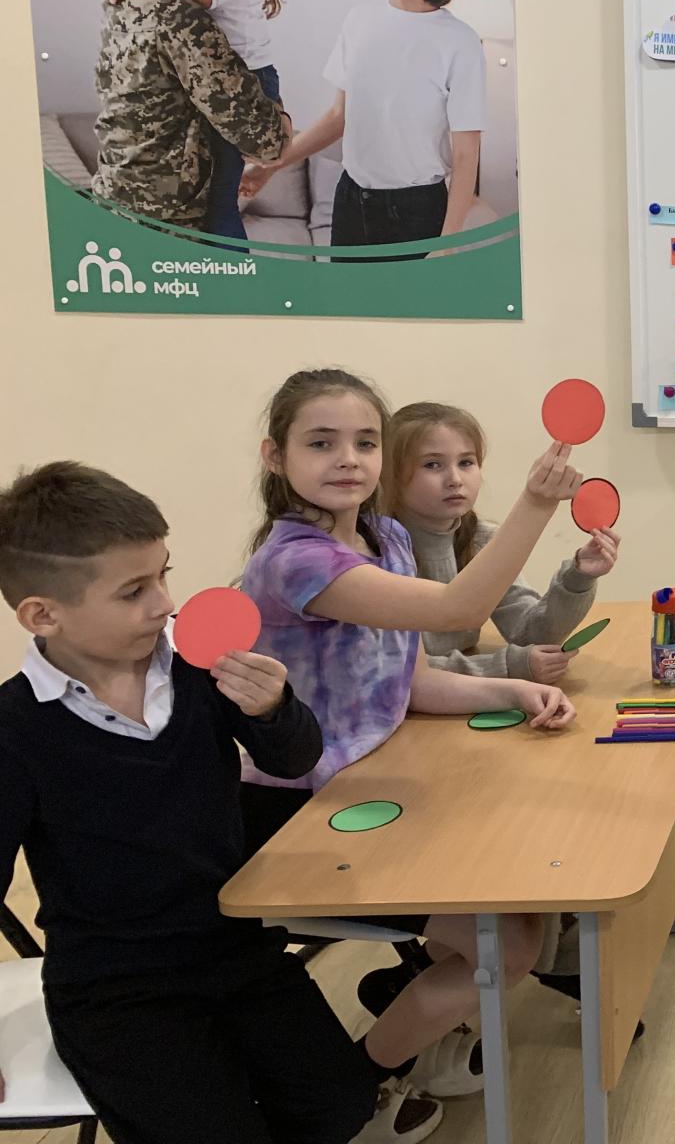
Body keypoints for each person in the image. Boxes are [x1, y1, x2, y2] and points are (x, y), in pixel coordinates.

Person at [0, 462, 376, 1144]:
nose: (164, 603)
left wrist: (274, 708)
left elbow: (293, 758)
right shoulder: (14, 729)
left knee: (342, 1101)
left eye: (163, 575)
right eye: (134, 591)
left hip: (237, 948)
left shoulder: (197, 666)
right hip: (115, 990)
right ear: (43, 614)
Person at [236, 369, 579, 1115]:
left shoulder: (385, 536)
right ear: (275, 456)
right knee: (508, 946)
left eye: (365, 442)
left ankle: (404, 1029)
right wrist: (537, 502)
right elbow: (458, 606)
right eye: (320, 443)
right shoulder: (297, 562)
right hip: (295, 812)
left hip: (376, 780)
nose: (347, 459)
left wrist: (512, 691)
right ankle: (354, 1087)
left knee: (515, 912)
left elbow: (410, 679)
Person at [47, 0, 290, 229]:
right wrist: (283, 120)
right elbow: (267, 142)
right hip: (173, 232)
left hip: (118, 210)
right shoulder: (175, 16)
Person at [243, 0, 485, 259]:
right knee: (347, 298)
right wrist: (271, 167)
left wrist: (446, 244)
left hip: (417, 212)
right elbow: (338, 117)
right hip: (351, 202)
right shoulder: (360, 21)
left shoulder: (460, 42)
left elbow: (466, 154)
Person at [385, 401, 618, 680]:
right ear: (390, 476)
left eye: (466, 462)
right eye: (432, 464)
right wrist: (504, 666)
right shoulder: (377, 550)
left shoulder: (481, 538)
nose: (455, 479)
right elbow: (399, 668)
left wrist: (578, 579)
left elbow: (530, 635)